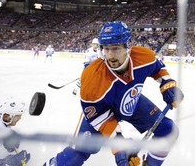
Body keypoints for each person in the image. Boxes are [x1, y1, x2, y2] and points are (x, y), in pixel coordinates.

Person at [45, 21, 184, 166]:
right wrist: (118, 144)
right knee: (75, 156)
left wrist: (167, 84)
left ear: (127, 47)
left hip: (130, 100)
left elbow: (158, 68)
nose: (110, 56)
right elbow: (98, 117)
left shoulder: (143, 56)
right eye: (106, 49)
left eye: (116, 49)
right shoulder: (91, 78)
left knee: (168, 130)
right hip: (101, 111)